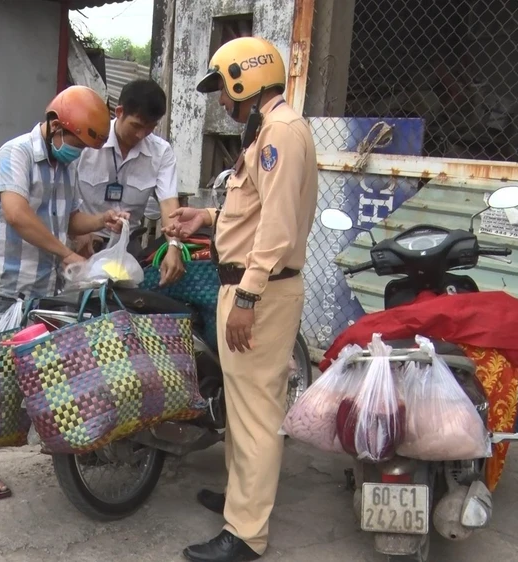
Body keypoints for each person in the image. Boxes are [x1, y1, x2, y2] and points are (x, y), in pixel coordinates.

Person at [164, 36, 319, 562]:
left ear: (243, 81)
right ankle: (240, 499)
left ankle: (247, 533)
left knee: (254, 413)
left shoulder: (280, 133)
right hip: (246, 285)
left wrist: (248, 297)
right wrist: (205, 218)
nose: (221, 103)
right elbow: (253, 209)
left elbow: (277, 226)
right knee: (241, 404)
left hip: (262, 291)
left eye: (223, 91)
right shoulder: (266, 131)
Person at [0, 85, 129, 500]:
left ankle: (59, 442)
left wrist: (100, 221)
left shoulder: (64, 166)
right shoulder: (15, 154)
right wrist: (65, 253)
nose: (78, 152)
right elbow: (18, 214)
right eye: (77, 142)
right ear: (56, 125)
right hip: (11, 288)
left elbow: (69, 219)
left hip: (50, 288)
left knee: (54, 372)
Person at [73, 78, 185, 286]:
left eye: (150, 128)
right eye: (136, 125)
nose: (141, 134)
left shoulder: (161, 153)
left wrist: (174, 246)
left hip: (127, 248)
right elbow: (63, 192)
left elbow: (169, 205)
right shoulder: (89, 140)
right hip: (84, 243)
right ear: (119, 112)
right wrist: (79, 232)